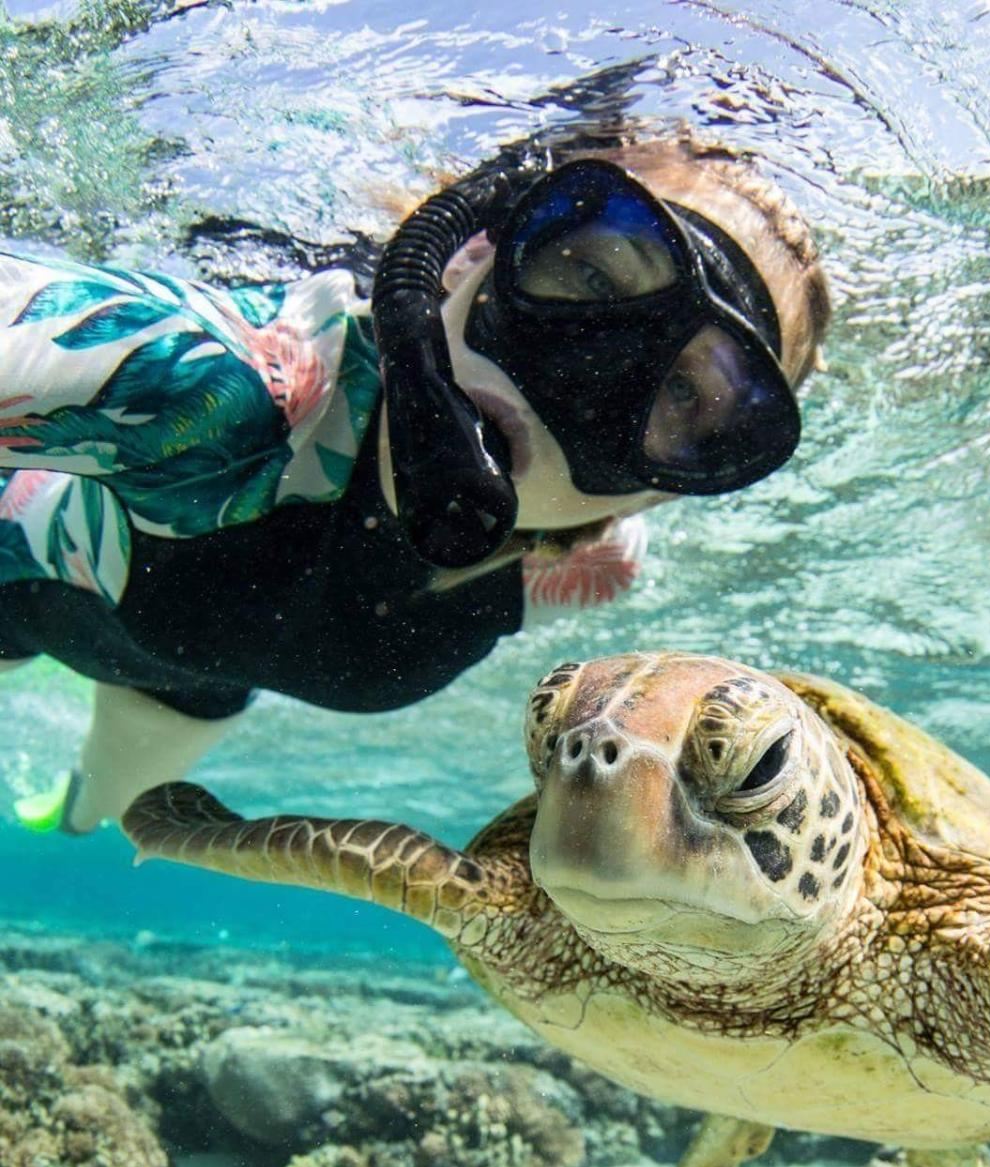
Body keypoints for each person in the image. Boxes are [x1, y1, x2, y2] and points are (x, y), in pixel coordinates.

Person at [0, 127, 831, 834]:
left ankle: (67, 808)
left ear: (671, 484)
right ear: (470, 254)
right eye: (588, 275)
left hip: (187, 690)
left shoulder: (590, 563)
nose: (575, 381)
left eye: (684, 393)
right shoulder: (232, 396)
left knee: (92, 818)